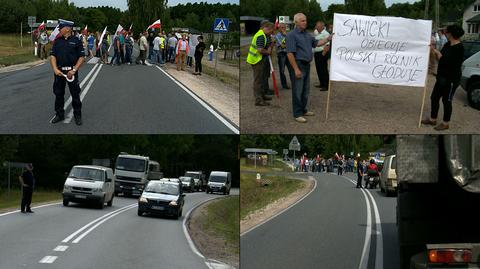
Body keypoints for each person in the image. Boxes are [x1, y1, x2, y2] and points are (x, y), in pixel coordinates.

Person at [286, 13, 332, 123]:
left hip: (307, 65)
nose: (305, 22)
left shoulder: (307, 34)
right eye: (302, 21)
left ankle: (304, 109)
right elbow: (290, 54)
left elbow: (317, 43)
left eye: (305, 20)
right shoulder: (291, 35)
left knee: (305, 90)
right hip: (298, 65)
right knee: (298, 91)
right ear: (296, 22)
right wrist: (296, 69)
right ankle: (297, 113)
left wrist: (328, 38)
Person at [422, 25, 465, 131]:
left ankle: (446, 123)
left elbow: (447, 61)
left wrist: (437, 52)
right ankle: (433, 119)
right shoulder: (447, 44)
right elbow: (440, 58)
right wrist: (433, 51)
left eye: (447, 31)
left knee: (447, 101)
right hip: (441, 78)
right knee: (434, 97)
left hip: (451, 80)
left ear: (451, 34)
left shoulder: (459, 48)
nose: (445, 33)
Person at [50, 19, 85, 126]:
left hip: (71, 72)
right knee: (58, 94)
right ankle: (59, 114)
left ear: (68, 29)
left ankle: (77, 115)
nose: (59, 29)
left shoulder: (76, 41)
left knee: (75, 94)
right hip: (59, 72)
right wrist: (55, 69)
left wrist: (74, 70)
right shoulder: (57, 41)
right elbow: (53, 56)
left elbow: (81, 57)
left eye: (61, 28)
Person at [247, 20, 274, 106]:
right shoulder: (261, 36)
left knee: (261, 79)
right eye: (270, 30)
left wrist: (271, 44)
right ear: (265, 28)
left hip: (259, 59)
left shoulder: (264, 35)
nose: (271, 32)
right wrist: (268, 51)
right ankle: (258, 100)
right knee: (258, 80)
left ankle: (262, 96)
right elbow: (260, 50)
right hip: (256, 60)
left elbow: (268, 45)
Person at [313, 21, 330, 91]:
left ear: (322, 27)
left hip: (322, 53)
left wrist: (324, 53)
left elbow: (328, 44)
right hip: (317, 53)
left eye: (318, 26)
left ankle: (326, 85)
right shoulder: (317, 33)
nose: (316, 27)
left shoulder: (326, 34)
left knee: (323, 69)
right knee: (318, 69)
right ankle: (321, 83)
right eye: (316, 26)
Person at [275, 23, 291, 90]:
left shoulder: (288, 34)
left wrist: (286, 37)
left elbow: (291, 43)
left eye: (284, 27)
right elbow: (282, 45)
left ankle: (294, 82)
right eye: (282, 27)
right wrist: (286, 37)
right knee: (282, 70)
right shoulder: (277, 36)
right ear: (279, 29)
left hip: (288, 53)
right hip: (282, 54)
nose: (284, 29)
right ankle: (284, 85)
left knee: (291, 69)